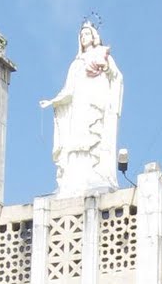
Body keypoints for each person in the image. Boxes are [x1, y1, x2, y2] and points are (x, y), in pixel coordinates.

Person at [39, 20, 123, 194]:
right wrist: (52, 102)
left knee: (95, 136)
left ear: (93, 37)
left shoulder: (103, 54)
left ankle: (96, 172)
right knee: (77, 138)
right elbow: (68, 90)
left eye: (87, 34)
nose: (84, 38)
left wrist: (106, 68)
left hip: (96, 103)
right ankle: (75, 177)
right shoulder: (76, 64)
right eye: (82, 35)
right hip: (79, 105)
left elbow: (116, 77)